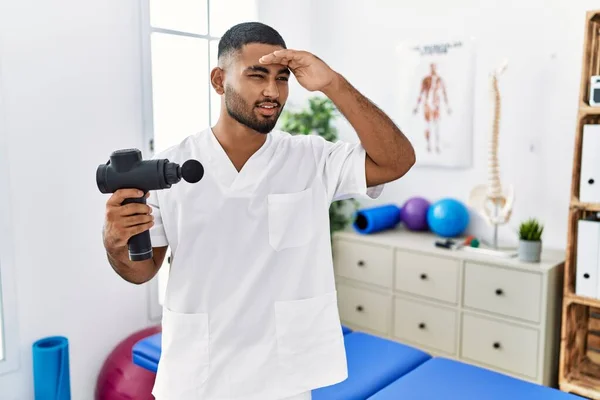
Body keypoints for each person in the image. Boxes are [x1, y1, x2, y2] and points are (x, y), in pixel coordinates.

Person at [102, 22, 415, 400]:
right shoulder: (169, 166)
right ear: (219, 81)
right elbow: (140, 272)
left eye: (282, 78)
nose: (272, 92)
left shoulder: (312, 159)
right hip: (197, 375)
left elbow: (396, 161)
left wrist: (334, 84)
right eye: (257, 75)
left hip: (282, 378)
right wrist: (115, 242)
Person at [413, 62, 451, 153]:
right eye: (432, 68)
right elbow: (421, 93)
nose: (433, 69)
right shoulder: (426, 80)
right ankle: (428, 145)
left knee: (437, 125)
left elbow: (444, 93)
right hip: (427, 104)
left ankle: (437, 145)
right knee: (428, 125)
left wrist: (447, 106)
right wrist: (417, 106)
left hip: (436, 105)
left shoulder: (440, 80)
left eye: (435, 68)